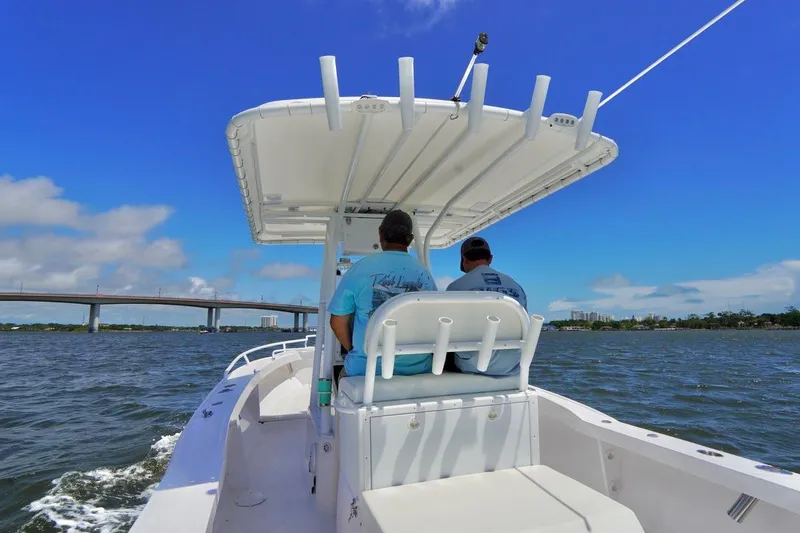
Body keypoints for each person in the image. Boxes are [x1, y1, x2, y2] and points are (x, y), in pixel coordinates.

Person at [329, 210, 437, 377]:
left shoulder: (359, 269)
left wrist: (354, 350)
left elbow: (337, 322)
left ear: (380, 234)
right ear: (410, 239)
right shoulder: (425, 274)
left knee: (339, 375)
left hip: (366, 370)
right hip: (417, 370)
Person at [446, 236, 528, 376]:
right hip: (512, 365)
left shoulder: (456, 287)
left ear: (464, 260)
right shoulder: (516, 287)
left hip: (472, 365)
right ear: (490, 259)